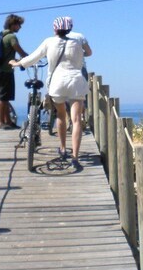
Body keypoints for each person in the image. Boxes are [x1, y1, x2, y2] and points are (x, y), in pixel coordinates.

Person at [10, 16, 92, 168]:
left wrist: (17, 63)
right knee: (76, 120)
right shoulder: (77, 42)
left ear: (55, 29)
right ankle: (75, 157)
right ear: (69, 28)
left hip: (57, 84)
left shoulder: (49, 42)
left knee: (60, 115)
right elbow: (89, 53)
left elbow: (32, 59)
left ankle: (62, 148)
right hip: (76, 82)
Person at [0, 14, 28, 129]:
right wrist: (30, 58)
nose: (20, 27)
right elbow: (21, 52)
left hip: (2, 70)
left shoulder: (3, 35)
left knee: (6, 97)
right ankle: (0, 122)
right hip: (5, 71)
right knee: (3, 97)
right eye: (19, 25)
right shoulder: (11, 37)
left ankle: (8, 121)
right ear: (13, 25)